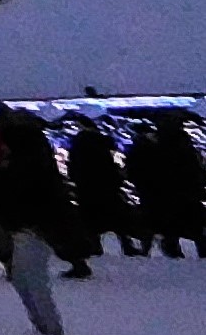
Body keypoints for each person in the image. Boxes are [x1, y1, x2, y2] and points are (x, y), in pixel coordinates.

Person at [0, 108, 78, 335]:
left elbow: (22, 191)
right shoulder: (30, 154)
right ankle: (46, 328)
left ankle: (52, 331)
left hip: (33, 225)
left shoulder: (21, 160)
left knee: (31, 279)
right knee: (23, 278)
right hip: (28, 224)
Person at [127, 110, 206, 258]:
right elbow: (194, 168)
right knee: (192, 223)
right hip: (184, 191)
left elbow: (139, 170)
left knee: (167, 224)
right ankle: (198, 248)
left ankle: (168, 248)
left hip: (162, 192)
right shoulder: (183, 143)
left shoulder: (152, 145)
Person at [61, 118, 131, 271]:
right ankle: (126, 244)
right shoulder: (103, 143)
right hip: (107, 184)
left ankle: (95, 245)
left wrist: (74, 180)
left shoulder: (79, 144)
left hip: (87, 186)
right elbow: (111, 164)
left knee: (90, 218)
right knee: (116, 215)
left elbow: (74, 166)